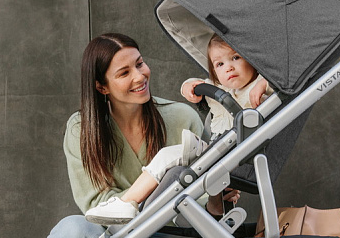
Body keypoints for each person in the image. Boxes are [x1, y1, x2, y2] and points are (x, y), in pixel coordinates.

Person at [47, 33, 235, 238]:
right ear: (102, 86)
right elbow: (96, 206)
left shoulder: (182, 118)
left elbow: (202, 203)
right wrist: (155, 181)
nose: (139, 76)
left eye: (140, 64)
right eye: (124, 73)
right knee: (69, 234)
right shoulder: (81, 128)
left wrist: (219, 193)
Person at [84, 34, 271, 225]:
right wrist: (189, 86)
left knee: (168, 156)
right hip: (218, 151)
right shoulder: (224, 89)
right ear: (102, 87)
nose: (229, 67)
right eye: (220, 64)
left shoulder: (259, 90)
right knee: (174, 165)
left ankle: (127, 202)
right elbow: (192, 84)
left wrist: (265, 82)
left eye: (236, 57)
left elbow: (281, 85)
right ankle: (128, 204)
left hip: (229, 154)